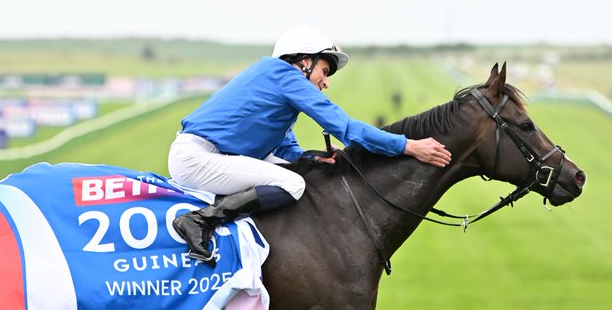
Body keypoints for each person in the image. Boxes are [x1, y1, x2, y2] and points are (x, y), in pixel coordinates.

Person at [167, 25, 452, 264]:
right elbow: (347, 129)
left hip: (211, 153)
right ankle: (199, 222)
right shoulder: (284, 76)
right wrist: (408, 146)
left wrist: (311, 159)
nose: (325, 82)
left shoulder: (278, 83)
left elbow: (287, 150)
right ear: (304, 61)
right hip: (197, 158)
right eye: (325, 72)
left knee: (301, 173)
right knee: (293, 185)